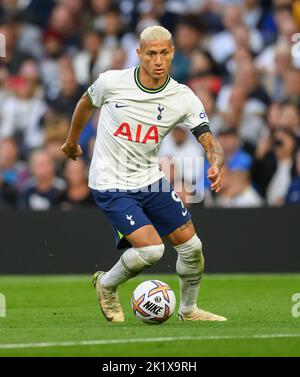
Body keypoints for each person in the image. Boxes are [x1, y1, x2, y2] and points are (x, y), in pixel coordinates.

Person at [61, 25, 227, 323]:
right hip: (110, 182)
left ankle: (188, 312)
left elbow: (208, 138)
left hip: (150, 179)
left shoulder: (182, 97)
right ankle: (107, 284)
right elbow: (86, 103)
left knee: (193, 248)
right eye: (151, 53)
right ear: (139, 54)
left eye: (165, 52)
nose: (159, 60)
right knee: (152, 250)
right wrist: (72, 140)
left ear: (173, 52)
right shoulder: (112, 82)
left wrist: (214, 161)